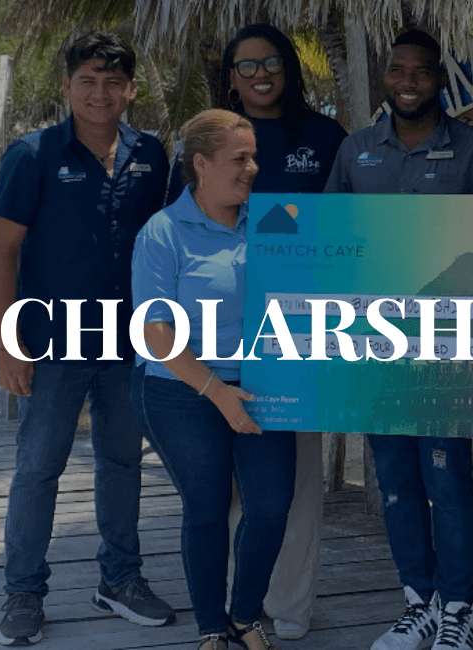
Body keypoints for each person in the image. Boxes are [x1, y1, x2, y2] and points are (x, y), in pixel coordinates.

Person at [162, 24, 350, 642]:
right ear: (230, 76)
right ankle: (232, 607)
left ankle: (289, 604)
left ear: (289, 67)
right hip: (217, 340)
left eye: (271, 61)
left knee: (292, 485)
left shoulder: (325, 137)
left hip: (299, 339)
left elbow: (355, 228)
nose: (260, 73)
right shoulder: (201, 138)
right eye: (246, 65)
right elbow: (176, 229)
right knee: (224, 488)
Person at [0, 30, 174, 647]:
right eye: (87, 81)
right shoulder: (32, 155)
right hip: (52, 344)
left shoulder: (152, 155)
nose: (100, 94)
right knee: (39, 468)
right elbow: (2, 251)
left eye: (112, 82)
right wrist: (7, 342)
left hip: (129, 344)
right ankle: (23, 592)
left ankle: (120, 580)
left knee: (122, 463)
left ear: (131, 89)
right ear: (67, 86)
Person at [325, 28, 473, 650]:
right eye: (398, 71)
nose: (407, 82)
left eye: (421, 72)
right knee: (395, 481)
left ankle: (459, 606)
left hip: (447, 349)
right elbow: (330, 240)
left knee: (447, 480)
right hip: (375, 346)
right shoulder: (355, 150)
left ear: (441, 80)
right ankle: (418, 603)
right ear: (385, 78)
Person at [131, 109, 296, 650]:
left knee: (270, 507)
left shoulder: (273, 220)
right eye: (239, 159)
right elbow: (155, 332)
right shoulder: (163, 232)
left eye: (254, 157)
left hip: (264, 384)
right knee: (206, 509)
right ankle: (210, 628)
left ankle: (244, 616)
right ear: (201, 164)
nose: (252, 168)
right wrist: (217, 392)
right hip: (181, 390)